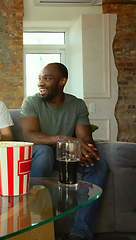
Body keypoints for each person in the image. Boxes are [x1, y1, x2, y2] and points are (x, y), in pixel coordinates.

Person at [19, 62, 108, 240]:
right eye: (39, 78)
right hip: (44, 152)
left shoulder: (77, 105)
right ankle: (35, 227)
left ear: (62, 82)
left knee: (99, 165)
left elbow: (86, 139)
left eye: (47, 78)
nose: (40, 83)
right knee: (43, 153)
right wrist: (64, 139)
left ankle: (79, 233)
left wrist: (84, 150)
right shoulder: (31, 102)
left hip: (67, 154)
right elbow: (30, 136)